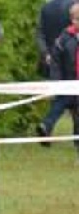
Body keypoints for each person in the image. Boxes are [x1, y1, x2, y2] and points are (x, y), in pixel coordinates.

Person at [36, 0, 74, 147]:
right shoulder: (74, 7)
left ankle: (47, 127)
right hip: (70, 60)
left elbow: (40, 33)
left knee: (61, 97)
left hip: (52, 61)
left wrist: (46, 53)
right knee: (71, 98)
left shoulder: (46, 8)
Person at [49, 1, 79, 157]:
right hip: (69, 81)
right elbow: (56, 59)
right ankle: (46, 127)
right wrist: (57, 81)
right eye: (76, 19)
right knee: (61, 105)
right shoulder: (65, 37)